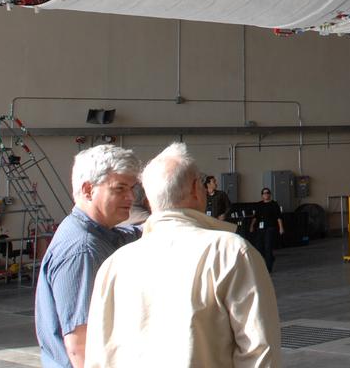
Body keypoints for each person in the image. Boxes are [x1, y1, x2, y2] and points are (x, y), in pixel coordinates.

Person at [84, 142, 281, 367]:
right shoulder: (231, 252)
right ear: (198, 188)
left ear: (149, 200)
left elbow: (98, 355)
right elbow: (260, 352)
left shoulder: (114, 265)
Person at [35, 145, 142, 368]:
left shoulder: (99, 233)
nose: (131, 196)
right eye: (120, 188)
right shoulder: (83, 250)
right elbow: (81, 347)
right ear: (88, 190)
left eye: (132, 188)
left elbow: (131, 235)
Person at [248, 187, 284, 273]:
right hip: (260, 228)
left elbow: (278, 217)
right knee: (259, 247)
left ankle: (268, 267)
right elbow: (255, 217)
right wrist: (251, 226)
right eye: (264, 193)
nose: (266, 194)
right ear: (262, 195)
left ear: (270, 194)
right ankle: (270, 258)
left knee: (268, 246)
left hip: (270, 227)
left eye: (267, 193)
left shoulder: (274, 204)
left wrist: (281, 227)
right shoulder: (259, 204)